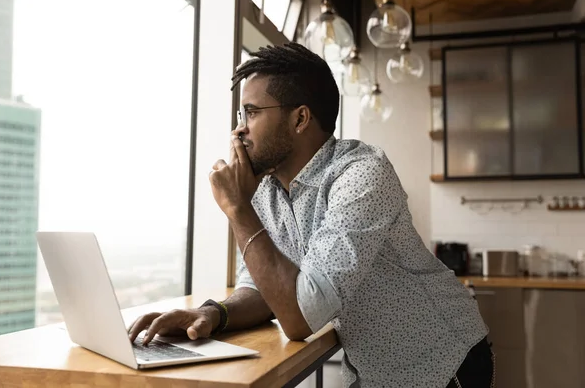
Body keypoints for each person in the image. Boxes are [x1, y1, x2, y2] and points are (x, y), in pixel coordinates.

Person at [128, 42, 494, 387]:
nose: (238, 129)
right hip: (372, 372)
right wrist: (213, 314)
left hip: (443, 363)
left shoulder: (362, 173)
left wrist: (238, 209)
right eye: (241, 114)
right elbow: (260, 288)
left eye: (252, 112)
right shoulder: (267, 190)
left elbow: (301, 317)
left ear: (300, 118)